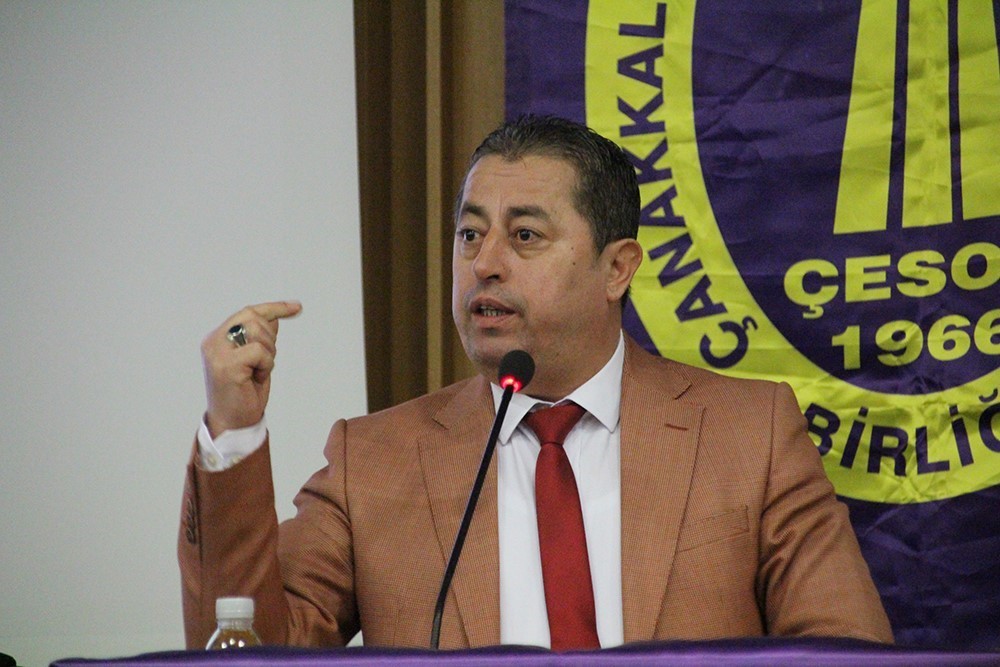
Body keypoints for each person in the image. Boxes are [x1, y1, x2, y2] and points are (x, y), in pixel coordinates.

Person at [179, 116, 894, 650]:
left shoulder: (748, 434)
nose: (484, 263)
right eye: (470, 234)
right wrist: (234, 431)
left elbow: (846, 651)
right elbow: (254, 649)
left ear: (618, 268)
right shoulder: (374, 460)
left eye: (524, 236)